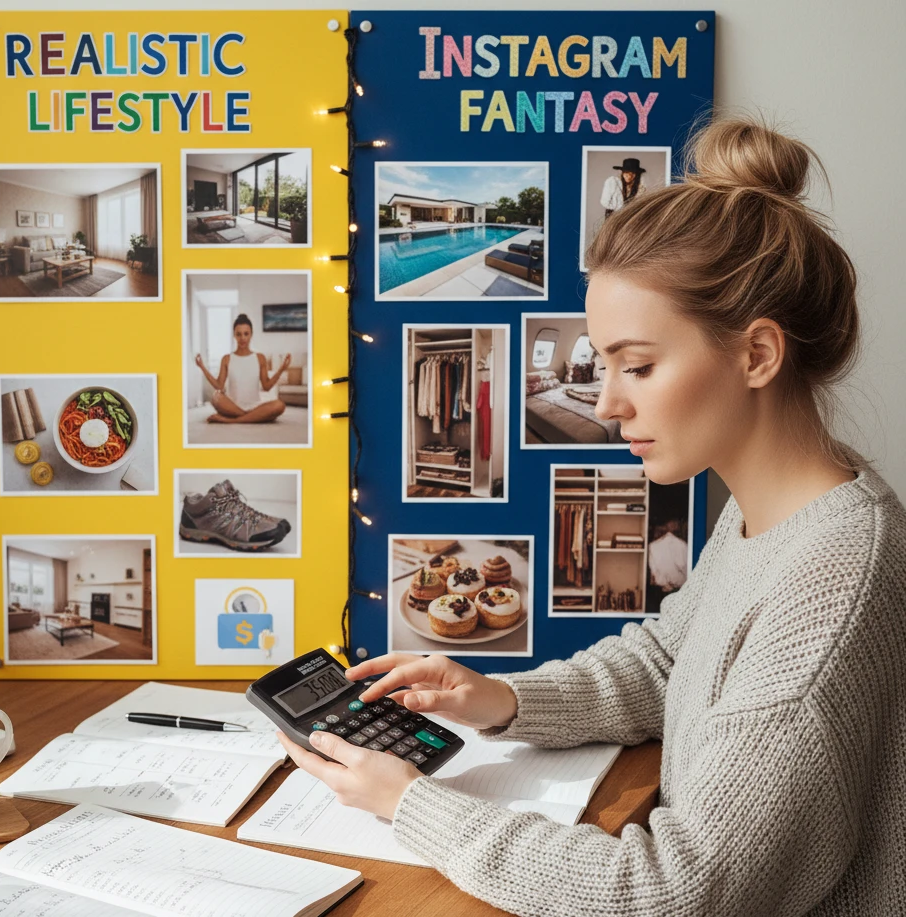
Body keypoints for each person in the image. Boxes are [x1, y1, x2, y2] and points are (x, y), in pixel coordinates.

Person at [278, 115, 906, 916]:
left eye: (637, 365)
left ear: (756, 355)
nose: (608, 403)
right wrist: (499, 698)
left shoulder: (835, 577)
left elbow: (675, 894)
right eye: (603, 362)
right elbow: (668, 663)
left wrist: (409, 802)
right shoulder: (771, 516)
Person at [194, 313, 289, 424]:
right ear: (234, 335)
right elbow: (219, 385)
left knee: (279, 405)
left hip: (254, 406)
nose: (242, 338)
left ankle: (231, 420)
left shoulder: (260, 358)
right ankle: (255, 417)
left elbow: (266, 386)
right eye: (238, 334)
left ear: (251, 334)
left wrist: (282, 369)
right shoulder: (227, 358)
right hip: (231, 406)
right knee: (216, 397)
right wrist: (202, 367)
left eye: (246, 334)